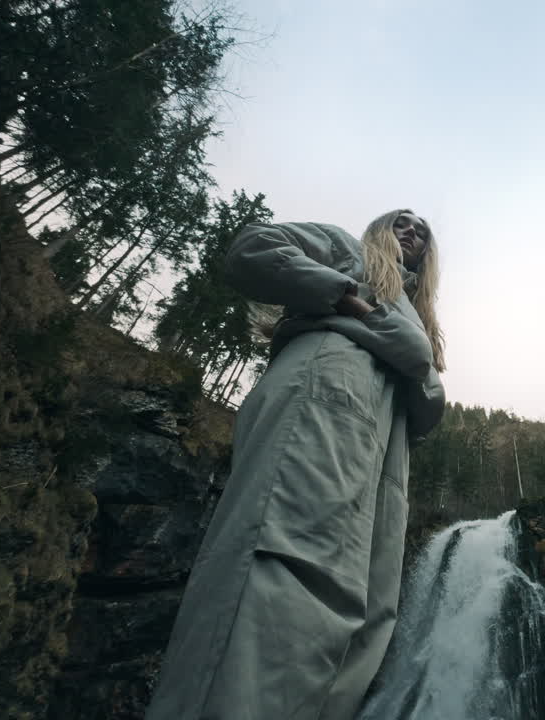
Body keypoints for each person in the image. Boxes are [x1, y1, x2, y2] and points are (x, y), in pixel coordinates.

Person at [144, 209, 446, 720]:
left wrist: (409, 348)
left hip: (389, 446)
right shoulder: (346, 249)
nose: (412, 229)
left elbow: (429, 395)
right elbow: (253, 249)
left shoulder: (419, 318)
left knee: (369, 613)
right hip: (329, 390)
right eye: (401, 221)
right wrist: (352, 302)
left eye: (422, 229)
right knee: (283, 563)